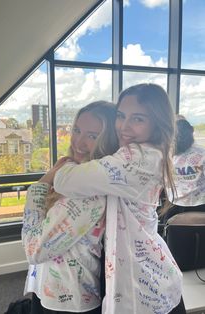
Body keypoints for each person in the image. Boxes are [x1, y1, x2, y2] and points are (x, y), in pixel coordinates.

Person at [52, 83, 185, 314]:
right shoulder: (151, 154)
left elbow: (65, 180)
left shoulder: (137, 159)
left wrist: (61, 166)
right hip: (147, 269)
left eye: (138, 119)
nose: (124, 126)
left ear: (157, 122)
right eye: (121, 116)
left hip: (143, 283)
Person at [22, 101, 118, 314]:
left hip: (69, 300)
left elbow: (33, 250)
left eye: (93, 136)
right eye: (77, 130)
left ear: (108, 142)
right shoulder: (74, 175)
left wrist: (42, 184)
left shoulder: (87, 193)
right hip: (54, 288)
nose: (79, 142)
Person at [162, 118, 205, 223]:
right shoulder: (202, 154)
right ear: (192, 130)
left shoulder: (166, 155)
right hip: (200, 206)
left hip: (173, 207)